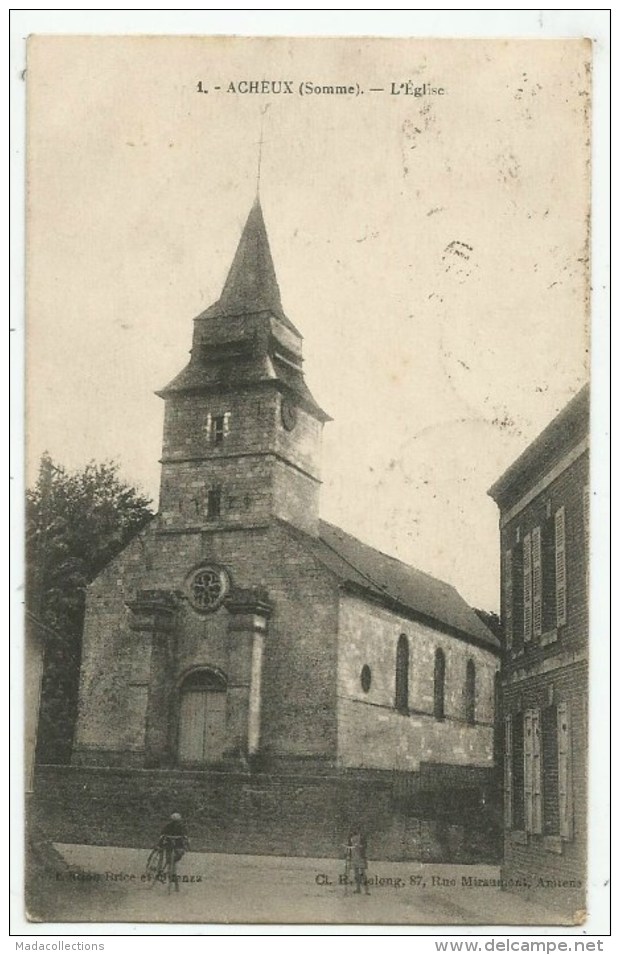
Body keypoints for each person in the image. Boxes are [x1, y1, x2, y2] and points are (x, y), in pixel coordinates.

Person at [347, 827, 370, 895]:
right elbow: (349, 847)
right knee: (356, 873)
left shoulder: (362, 837)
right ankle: (358, 889)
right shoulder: (350, 837)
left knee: (363, 873)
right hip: (354, 857)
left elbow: (365, 846)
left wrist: (360, 846)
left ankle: (366, 890)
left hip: (360, 856)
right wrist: (349, 855)